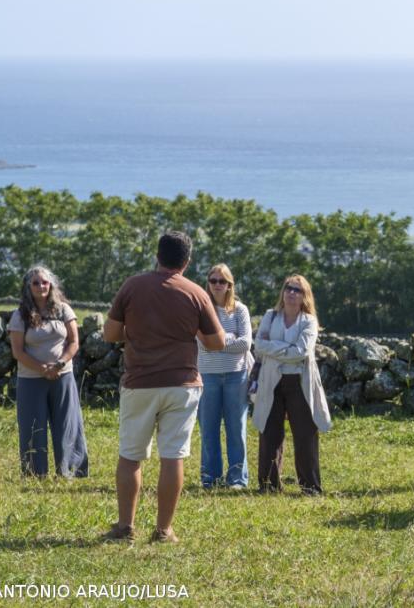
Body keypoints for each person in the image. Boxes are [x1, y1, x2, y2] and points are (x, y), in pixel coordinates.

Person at [103, 231, 225, 543]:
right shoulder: (196, 292)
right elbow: (216, 342)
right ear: (187, 260)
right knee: (173, 456)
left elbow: (110, 333)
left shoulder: (133, 286)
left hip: (140, 381)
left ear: (157, 255)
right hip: (182, 383)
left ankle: (125, 527)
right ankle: (163, 529)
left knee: (131, 456)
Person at [7, 266, 89, 478]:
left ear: (51, 284)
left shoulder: (63, 310)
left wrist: (59, 364)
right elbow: (17, 351)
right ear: (28, 287)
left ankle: (70, 470)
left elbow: (73, 342)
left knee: (67, 423)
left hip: (63, 376)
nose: (41, 286)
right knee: (33, 426)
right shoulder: (20, 315)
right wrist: (42, 368)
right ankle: (35, 473)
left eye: (44, 282)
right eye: (35, 283)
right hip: (31, 378)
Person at [253, 274, 332, 495]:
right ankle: (268, 485)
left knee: (305, 434)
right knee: (270, 433)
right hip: (272, 381)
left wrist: (274, 348)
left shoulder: (309, 321)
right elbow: (258, 345)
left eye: (297, 290)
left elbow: (302, 352)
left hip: (300, 381)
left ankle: (310, 486)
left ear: (305, 295)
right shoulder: (270, 316)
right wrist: (285, 349)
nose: (291, 293)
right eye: (288, 288)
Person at [197, 264, 254, 490]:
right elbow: (202, 345)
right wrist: (229, 337)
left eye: (222, 281)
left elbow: (245, 344)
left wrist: (217, 340)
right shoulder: (201, 310)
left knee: (236, 429)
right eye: (213, 280)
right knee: (208, 429)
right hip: (207, 375)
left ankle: (237, 479)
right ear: (208, 283)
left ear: (230, 285)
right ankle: (210, 478)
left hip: (236, 375)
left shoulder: (240, 310)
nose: (217, 285)